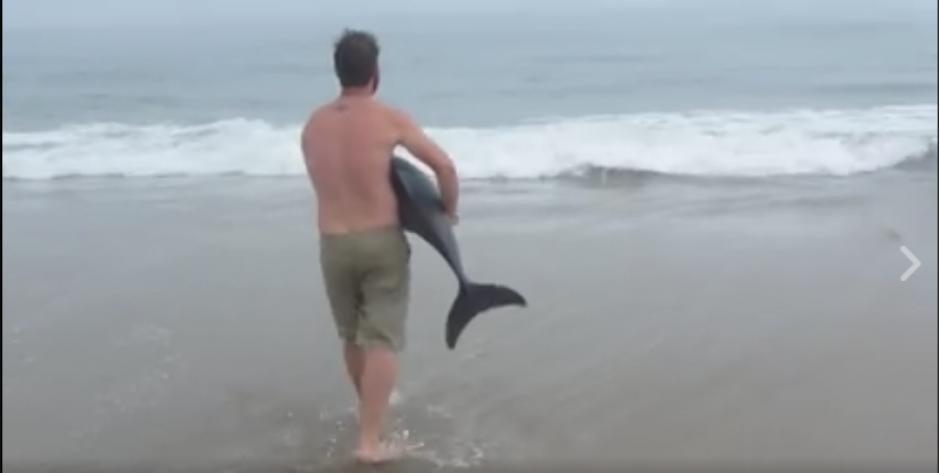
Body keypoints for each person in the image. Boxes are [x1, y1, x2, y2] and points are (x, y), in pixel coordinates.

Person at [300, 29, 460, 464]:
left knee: (352, 335)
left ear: (338, 72)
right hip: (379, 242)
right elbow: (444, 167)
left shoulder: (313, 125)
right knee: (382, 339)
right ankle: (369, 442)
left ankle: (368, 413)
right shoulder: (389, 118)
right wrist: (448, 211)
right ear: (375, 72)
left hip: (333, 243)